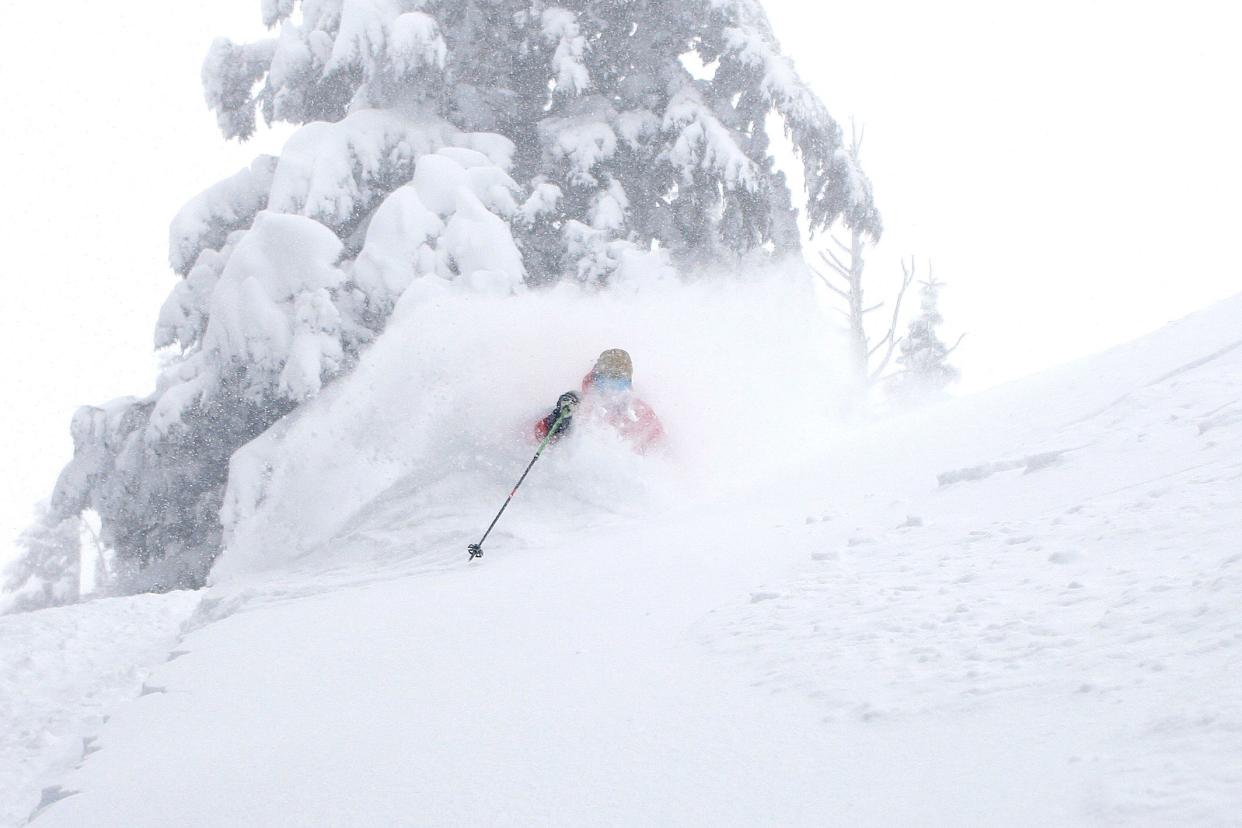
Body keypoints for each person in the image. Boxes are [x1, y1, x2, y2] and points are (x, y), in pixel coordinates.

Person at [534, 348, 665, 454]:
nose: (611, 390)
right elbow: (536, 438)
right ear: (595, 379)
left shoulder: (640, 413)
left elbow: (662, 450)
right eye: (605, 380)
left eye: (619, 382)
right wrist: (557, 422)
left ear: (628, 383)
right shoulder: (575, 405)